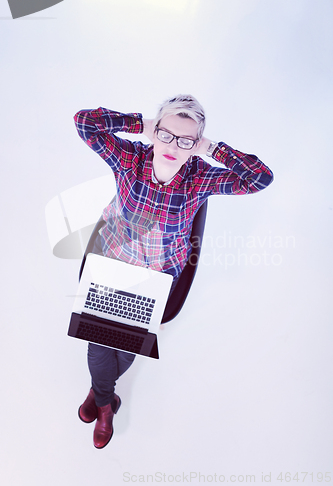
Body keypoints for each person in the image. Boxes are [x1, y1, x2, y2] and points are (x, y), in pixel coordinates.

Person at [73, 94, 273, 449]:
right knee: (99, 346)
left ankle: (100, 394)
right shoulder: (130, 158)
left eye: (186, 140)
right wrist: (139, 126)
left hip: (157, 275)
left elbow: (260, 178)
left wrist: (211, 148)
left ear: (195, 144)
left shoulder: (199, 178)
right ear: (155, 130)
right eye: (166, 134)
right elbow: (85, 121)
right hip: (113, 261)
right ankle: (106, 403)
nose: (173, 146)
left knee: (125, 346)